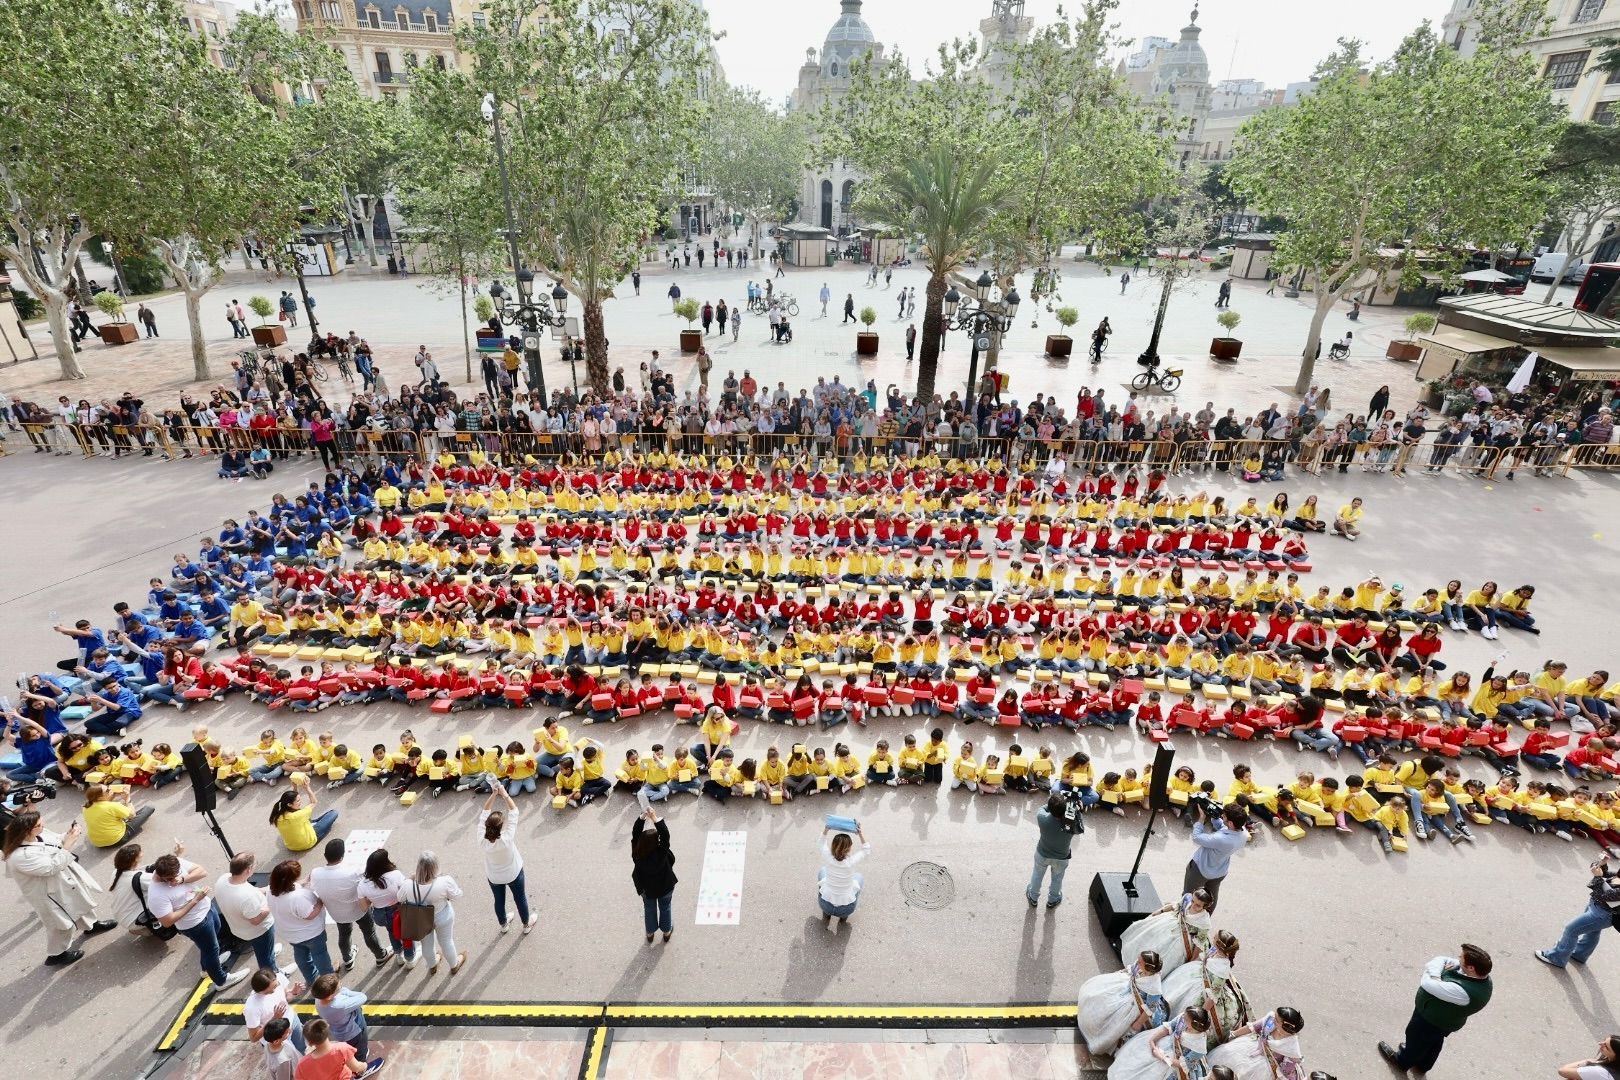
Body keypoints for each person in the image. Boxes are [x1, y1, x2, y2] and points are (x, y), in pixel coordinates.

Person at [2, 809, 119, 967]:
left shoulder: (39, 835)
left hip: (63, 881)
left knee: (80, 902)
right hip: (47, 893)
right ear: (27, 831)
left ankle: (91, 925)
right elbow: (50, 867)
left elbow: (58, 840)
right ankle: (56, 954)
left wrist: (69, 834)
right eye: (39, 825)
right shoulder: (19, 857)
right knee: (60, 924)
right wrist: (69, 843)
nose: (43, 826)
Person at [1378, 943, 1493, 1075]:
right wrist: (1436, 977)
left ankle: (1402, 1061)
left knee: (1416, 1037)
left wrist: (1431, 974)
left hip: (1431, 1018)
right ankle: (1423, 1065)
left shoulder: (1462, 991)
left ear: (1471, 967)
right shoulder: (1480, 976)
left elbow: (1427, 984)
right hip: (1445, 1020)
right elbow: (1441, 959)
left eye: (1461, 958)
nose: (1457, 957)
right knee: (1434, 1042)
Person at [148, 851, 250, 989]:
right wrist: (195, 901)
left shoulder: (174, 865)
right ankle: (221, 981)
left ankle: (207, 968)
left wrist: (183, 879)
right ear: (161, 876)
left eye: (176, 875)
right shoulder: (156, 895)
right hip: (195, 924)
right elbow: (167, 921)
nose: (174, 879)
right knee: (211, 949)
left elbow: (202, 872)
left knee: (212, 940)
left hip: (207, 909)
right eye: (170, 878)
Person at [311, 838, 392, 970]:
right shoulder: (352, 872)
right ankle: (380, 955)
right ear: (342, 857)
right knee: (369, 932)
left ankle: (347, 959)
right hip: (359, 910)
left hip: (336, 913)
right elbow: (367, 880)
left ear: (325, 856)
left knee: (344, 934)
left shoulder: (315, 873)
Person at [1537, 855, 1620, 969]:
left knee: (1571, 929)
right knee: (1592, 932)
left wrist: (1598, 877)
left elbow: (1604, 896)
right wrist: (1602, 864)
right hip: (1597, 908)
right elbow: (1605, 873)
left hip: (1602, 914)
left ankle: (1556, 958)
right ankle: (1580, 954)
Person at [1077, 950, 1166, 1055]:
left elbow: (1150, 1009)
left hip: (1137, 1009)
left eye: (1139, 962)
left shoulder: (1154, 987)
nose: (1137, 962)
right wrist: (1119, 973)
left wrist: (1138, 1023)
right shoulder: (1140, 965)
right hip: (1127, 990)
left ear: (1147, 967)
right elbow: (1131, 969)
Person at [479, 786, 538, 934]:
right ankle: (526, 924)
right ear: (501, 827)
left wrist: (493, 794)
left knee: (499, 900)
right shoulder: (507, 838)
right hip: (513, 873)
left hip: (494, 876)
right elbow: (514, 812)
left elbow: (483, 813)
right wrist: (503, 794)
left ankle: (504, 924)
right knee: (520, 898)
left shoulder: (481, 839)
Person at [268, 857, 333, 984]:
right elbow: (310, 914)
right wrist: (320, 901)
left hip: (290, 934)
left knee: (301, 956)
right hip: (311, 934)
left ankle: (311, 978)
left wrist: (302, 882)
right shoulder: (298, 897)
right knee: (320, 954)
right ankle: (329, 980)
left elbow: (291, 887)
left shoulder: (272, 890)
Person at [1120, 889, 1214, 976]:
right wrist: (1159, 911)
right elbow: (1175, 906)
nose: (1193, 905)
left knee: (1165, 953)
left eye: (1198, 905)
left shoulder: (1204, 922)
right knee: (1149, 936)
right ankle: (1136, 961)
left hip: (1183, 940)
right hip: (1170, 922)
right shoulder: (1187, 899)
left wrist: (1191, 962)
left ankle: (1147, 972)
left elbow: (1199, 944)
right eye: (1193, 901)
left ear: (1205, 907)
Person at [216, 850, 280, 972]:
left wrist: (268, 889)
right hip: (259, 931)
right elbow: (256, 920)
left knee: (264, 949)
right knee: (265, 959)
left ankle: (269, 953)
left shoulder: (223, 879)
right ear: (249, 868)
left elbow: (251, 890)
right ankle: (274, 974)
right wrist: (272, 903)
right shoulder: (247, 896)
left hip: (239, 928)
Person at [404, 850, 465, 975]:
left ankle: (432, 966)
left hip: (420, 918)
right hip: (442, 916)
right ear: (435, 866)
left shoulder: (408, 884)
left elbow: (400, 898)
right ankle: (454, 965)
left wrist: (409, 879)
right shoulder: (445, 881)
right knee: (446, 941)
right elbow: (457, 896)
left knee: (426, 944)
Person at [1209, 1007, 1305, 1079]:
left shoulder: (1292, 1048)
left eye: (1276, 1019)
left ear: (1285, 1025)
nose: (1273, 1017)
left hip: (1266, 1067)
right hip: (1252, 1047)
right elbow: (1253, 1027)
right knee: (1227, 1054)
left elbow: (1284, 1072)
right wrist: (1233, 1035)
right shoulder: (1270, 1019)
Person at [1185, 802, 1247, 909]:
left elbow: (1196, 837)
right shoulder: (1243, 833)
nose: (1222, 815)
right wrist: (1215, 818)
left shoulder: (1222, 839)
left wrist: (1201, 819)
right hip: (1219, 872)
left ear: (1231, 823)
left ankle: (1184, 916)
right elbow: (1223, 827)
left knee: (1189, 896)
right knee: (1210, 899)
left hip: (1200, 870)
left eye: (1224, 816)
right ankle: (1205, 919)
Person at [630, 808, 678, 944]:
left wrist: (643, 816)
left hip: (647, 889)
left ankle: (650, 933)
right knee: (665, 907)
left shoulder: (637, 853)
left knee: (649, 909)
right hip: (665, 886)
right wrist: (654, 817)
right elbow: (665, 835)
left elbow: (635, 834)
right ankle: (666, 931)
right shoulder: (661, 853)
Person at [293, 1017, 382, 1079]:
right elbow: (356, 1067)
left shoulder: (302, 1064)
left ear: (310, 1043)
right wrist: (364, 1065)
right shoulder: (342, 1049)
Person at [1028, 791, 1075, 909]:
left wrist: (1054, 802)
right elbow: (1079, 820)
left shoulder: (1042, 818)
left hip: (1042, 854)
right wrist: (1072, 806)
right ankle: (1053, 899)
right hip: (1062, 857)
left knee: (1037, 875)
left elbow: (1043, 807)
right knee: (1057, 879)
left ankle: (1033, 897)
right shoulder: (1072, 822)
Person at [312, 971, 372, 1061]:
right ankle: (360, 1066)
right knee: (360, 1049)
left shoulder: (318, 999)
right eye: (338, 988)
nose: (341, 987)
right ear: (329, 996)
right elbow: (362, 997)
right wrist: (344, 991)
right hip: (355, 1031)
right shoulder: (339, 1006)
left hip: (340, 1032)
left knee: (351, 1048)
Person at [246, 967, 307, 1054]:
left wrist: (294, 992)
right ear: (259, 990)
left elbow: (287, 998)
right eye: (268, 992)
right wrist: (274, 1018)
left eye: (275, 986)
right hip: (277, 1035)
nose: (274, 991)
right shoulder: (252, 1007)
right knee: (289, 1058)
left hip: (293, 1021)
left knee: (301, 1048)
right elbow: (254, 1037)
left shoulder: (280, 978)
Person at [817, 822, 868, 926]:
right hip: (846, 907)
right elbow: (866, 850)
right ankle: (843, 918)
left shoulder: (828, 857)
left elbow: (821, 843)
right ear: (848, 849)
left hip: (825, 903)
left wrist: (826, 830)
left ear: (833, 846)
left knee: (822, 870)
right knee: (858, 877)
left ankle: (827, 914)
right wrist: (860, 834)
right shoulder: (851, 861)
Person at [270, 781, 338, 852]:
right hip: (308, 842)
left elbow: (292, 801)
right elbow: (314, 802)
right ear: (289, 804)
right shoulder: (298, 815)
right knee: (333, 813)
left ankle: (313, 823)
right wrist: (307, 788)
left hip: (290, 846)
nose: (300, 802)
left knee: (306, 817)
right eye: (298, 801)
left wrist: (295, 787)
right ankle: (314, 825)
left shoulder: (277, 815)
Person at [82, 782, 154, 848]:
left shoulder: (86, 807)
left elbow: (105, 809)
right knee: (149, 808)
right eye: (107, 790)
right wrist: (128, 799)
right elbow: (132, 815)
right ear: (100, 797)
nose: (110, 790)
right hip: (117, 839)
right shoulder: (113, 806)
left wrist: (111, 796)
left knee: (115, 814)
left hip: (97, 843)